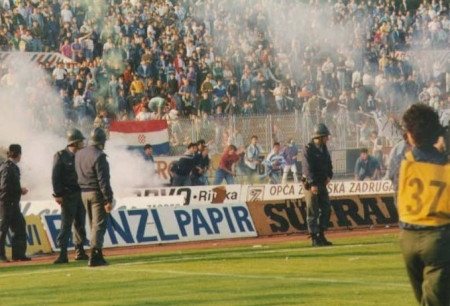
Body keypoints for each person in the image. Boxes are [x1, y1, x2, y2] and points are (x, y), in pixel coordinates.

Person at [395, 103, 450, 305]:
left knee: (423, 299)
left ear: (410, 135)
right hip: (438, 236)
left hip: (407, 237)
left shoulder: (403, 161)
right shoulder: (445, 165)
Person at [75, 128, 114, 267]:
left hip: (83, 192)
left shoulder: (79, 154)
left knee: (92, 224)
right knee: (98, 225)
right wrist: (108, 199)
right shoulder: (99, 156)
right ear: (102, 142)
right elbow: (103, 180)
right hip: (96, 193)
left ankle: (96, 251)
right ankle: (95, 255)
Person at [52, 129, 89, 264]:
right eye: (80, 141)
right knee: (66, 225)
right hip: (68, 195)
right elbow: (56, 176)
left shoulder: (81, 155)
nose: (82, 143)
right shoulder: (61, 156)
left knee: (80, 223)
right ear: (74, 142)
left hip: (80, 193)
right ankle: (63, 253)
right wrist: (58, 194)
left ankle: (80, 251)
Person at [302, 123, 333, 247]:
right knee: (312, 211)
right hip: (311, 184)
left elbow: (329, 163)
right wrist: (312, 183)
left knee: (326, 208)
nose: (327, 139)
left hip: (322, 182)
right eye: (326, 136)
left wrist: (329, 175)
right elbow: (307, 168)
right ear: (320, 137)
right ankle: (314, 237)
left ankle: (321, 233)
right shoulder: (308, 148)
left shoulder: (323, 148)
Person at [0, 144, 30, 262]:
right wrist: (19, 190)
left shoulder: (9, 166)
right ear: (19, 154)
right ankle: (1, 255)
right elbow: (4, 187)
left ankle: (18, 254)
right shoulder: (8, 167)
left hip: (11, 203)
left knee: (20, 226)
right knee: (3, 229)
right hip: (7, 203)